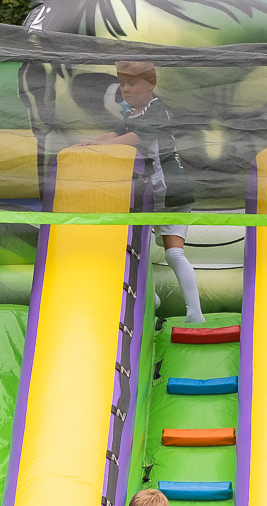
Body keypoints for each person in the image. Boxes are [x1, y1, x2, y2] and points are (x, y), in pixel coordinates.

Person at [80, 61, 203, 322]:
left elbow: (138, 137)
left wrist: (107, 145)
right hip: (156, 192)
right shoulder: (134, 113)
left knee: (171, 252)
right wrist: (94, 141)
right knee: (144, 251)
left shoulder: (157, 109)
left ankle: (193, 313)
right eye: (122, 84)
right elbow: (119, 131)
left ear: (152, 84)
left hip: (168, 190)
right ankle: (154, 300)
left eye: (132, 83)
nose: (125, 89)